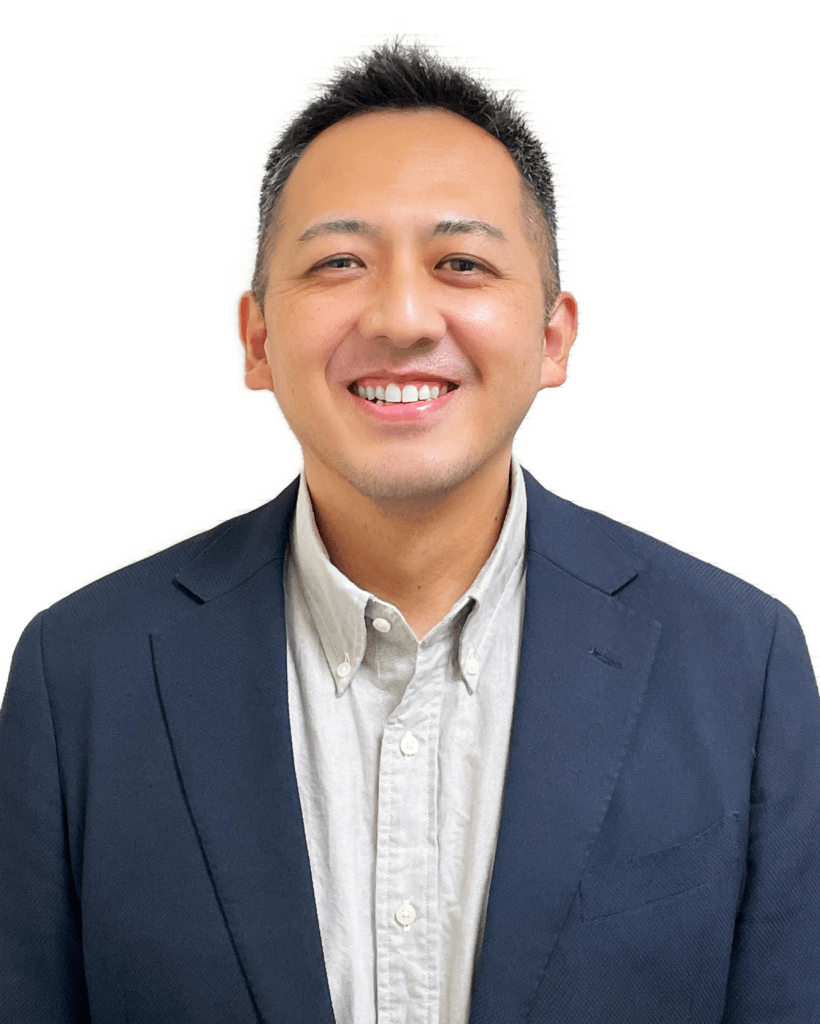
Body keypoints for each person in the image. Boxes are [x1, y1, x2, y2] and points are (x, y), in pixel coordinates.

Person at [1, 41, 818, 1024]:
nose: (399, 317)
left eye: (461, 263)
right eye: (339, 262)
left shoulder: (739, 664)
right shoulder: (81, 675)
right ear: (257, 340)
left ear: (552, 338)